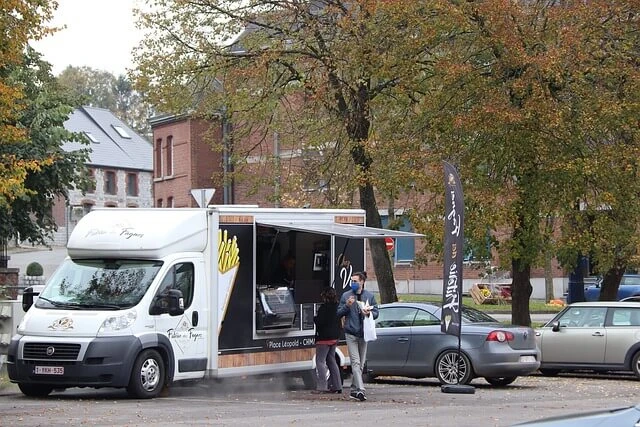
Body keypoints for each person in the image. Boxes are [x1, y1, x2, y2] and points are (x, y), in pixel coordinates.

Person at [337, 271, 378, 401]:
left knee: (361, 364)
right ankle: (361, 389)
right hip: (351, 333)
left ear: (362, 282)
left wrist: (368, 313)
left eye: (355, 281)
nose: (353, 283)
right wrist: (347, 306)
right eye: (352, 281)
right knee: (355, 362)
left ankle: (354, 389)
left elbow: (376, 312)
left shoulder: (369, 296)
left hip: (364, 334)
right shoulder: (346, 295)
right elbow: (338, 313)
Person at [313, 287, 342, 394]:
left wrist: (315, 318)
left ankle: (322, 386)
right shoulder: (337, 307)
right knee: (331, 360)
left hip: (324, 338)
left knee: (320, 361)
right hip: (334, 337)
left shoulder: (324, 308)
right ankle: (337, 386)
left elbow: (320, 321)